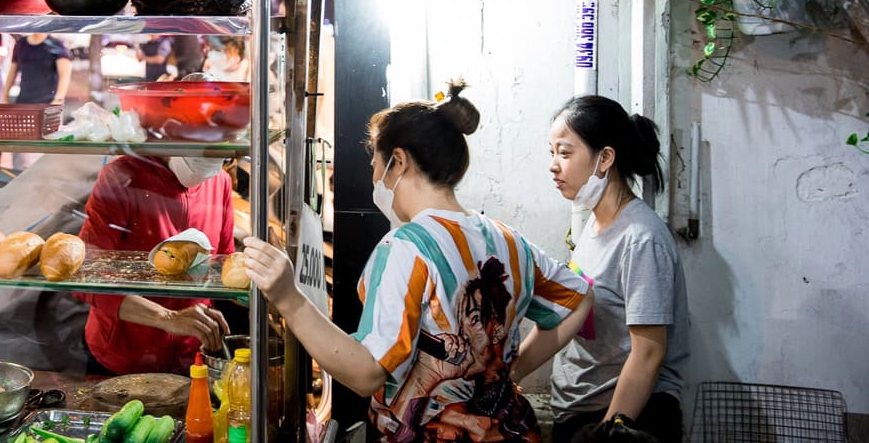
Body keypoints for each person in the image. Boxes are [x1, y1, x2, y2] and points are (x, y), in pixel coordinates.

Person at [243, 80, 593, 441]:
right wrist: (509, 373)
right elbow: (577, 299)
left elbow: (366, 373)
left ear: (399, 161)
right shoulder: (509, 240)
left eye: (375, 163)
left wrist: (288, 297)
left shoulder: (406, 248)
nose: (375, 177)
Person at [546, 95, 690, 443]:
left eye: (565, 153)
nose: (553, 165)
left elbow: (649, 353)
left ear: (605, 158)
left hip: (623, 420)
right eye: (551, 153)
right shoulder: (593, 230)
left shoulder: (641, 240)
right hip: (583, 413)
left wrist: (610, 432)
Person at [78, 153, 234, 375]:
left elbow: (224, 262)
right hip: (122, 355)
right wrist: (167, 318)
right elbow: (86, 276)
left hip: (191, 357)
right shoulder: (122, 177)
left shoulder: (220, 182)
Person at [2, 33, 72, 105]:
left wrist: (58, 99)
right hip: (24, 100)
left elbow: (65, 75)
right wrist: (4, 97)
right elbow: (12, 72)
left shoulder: (55, 44)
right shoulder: (21, 44)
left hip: (48, 101)